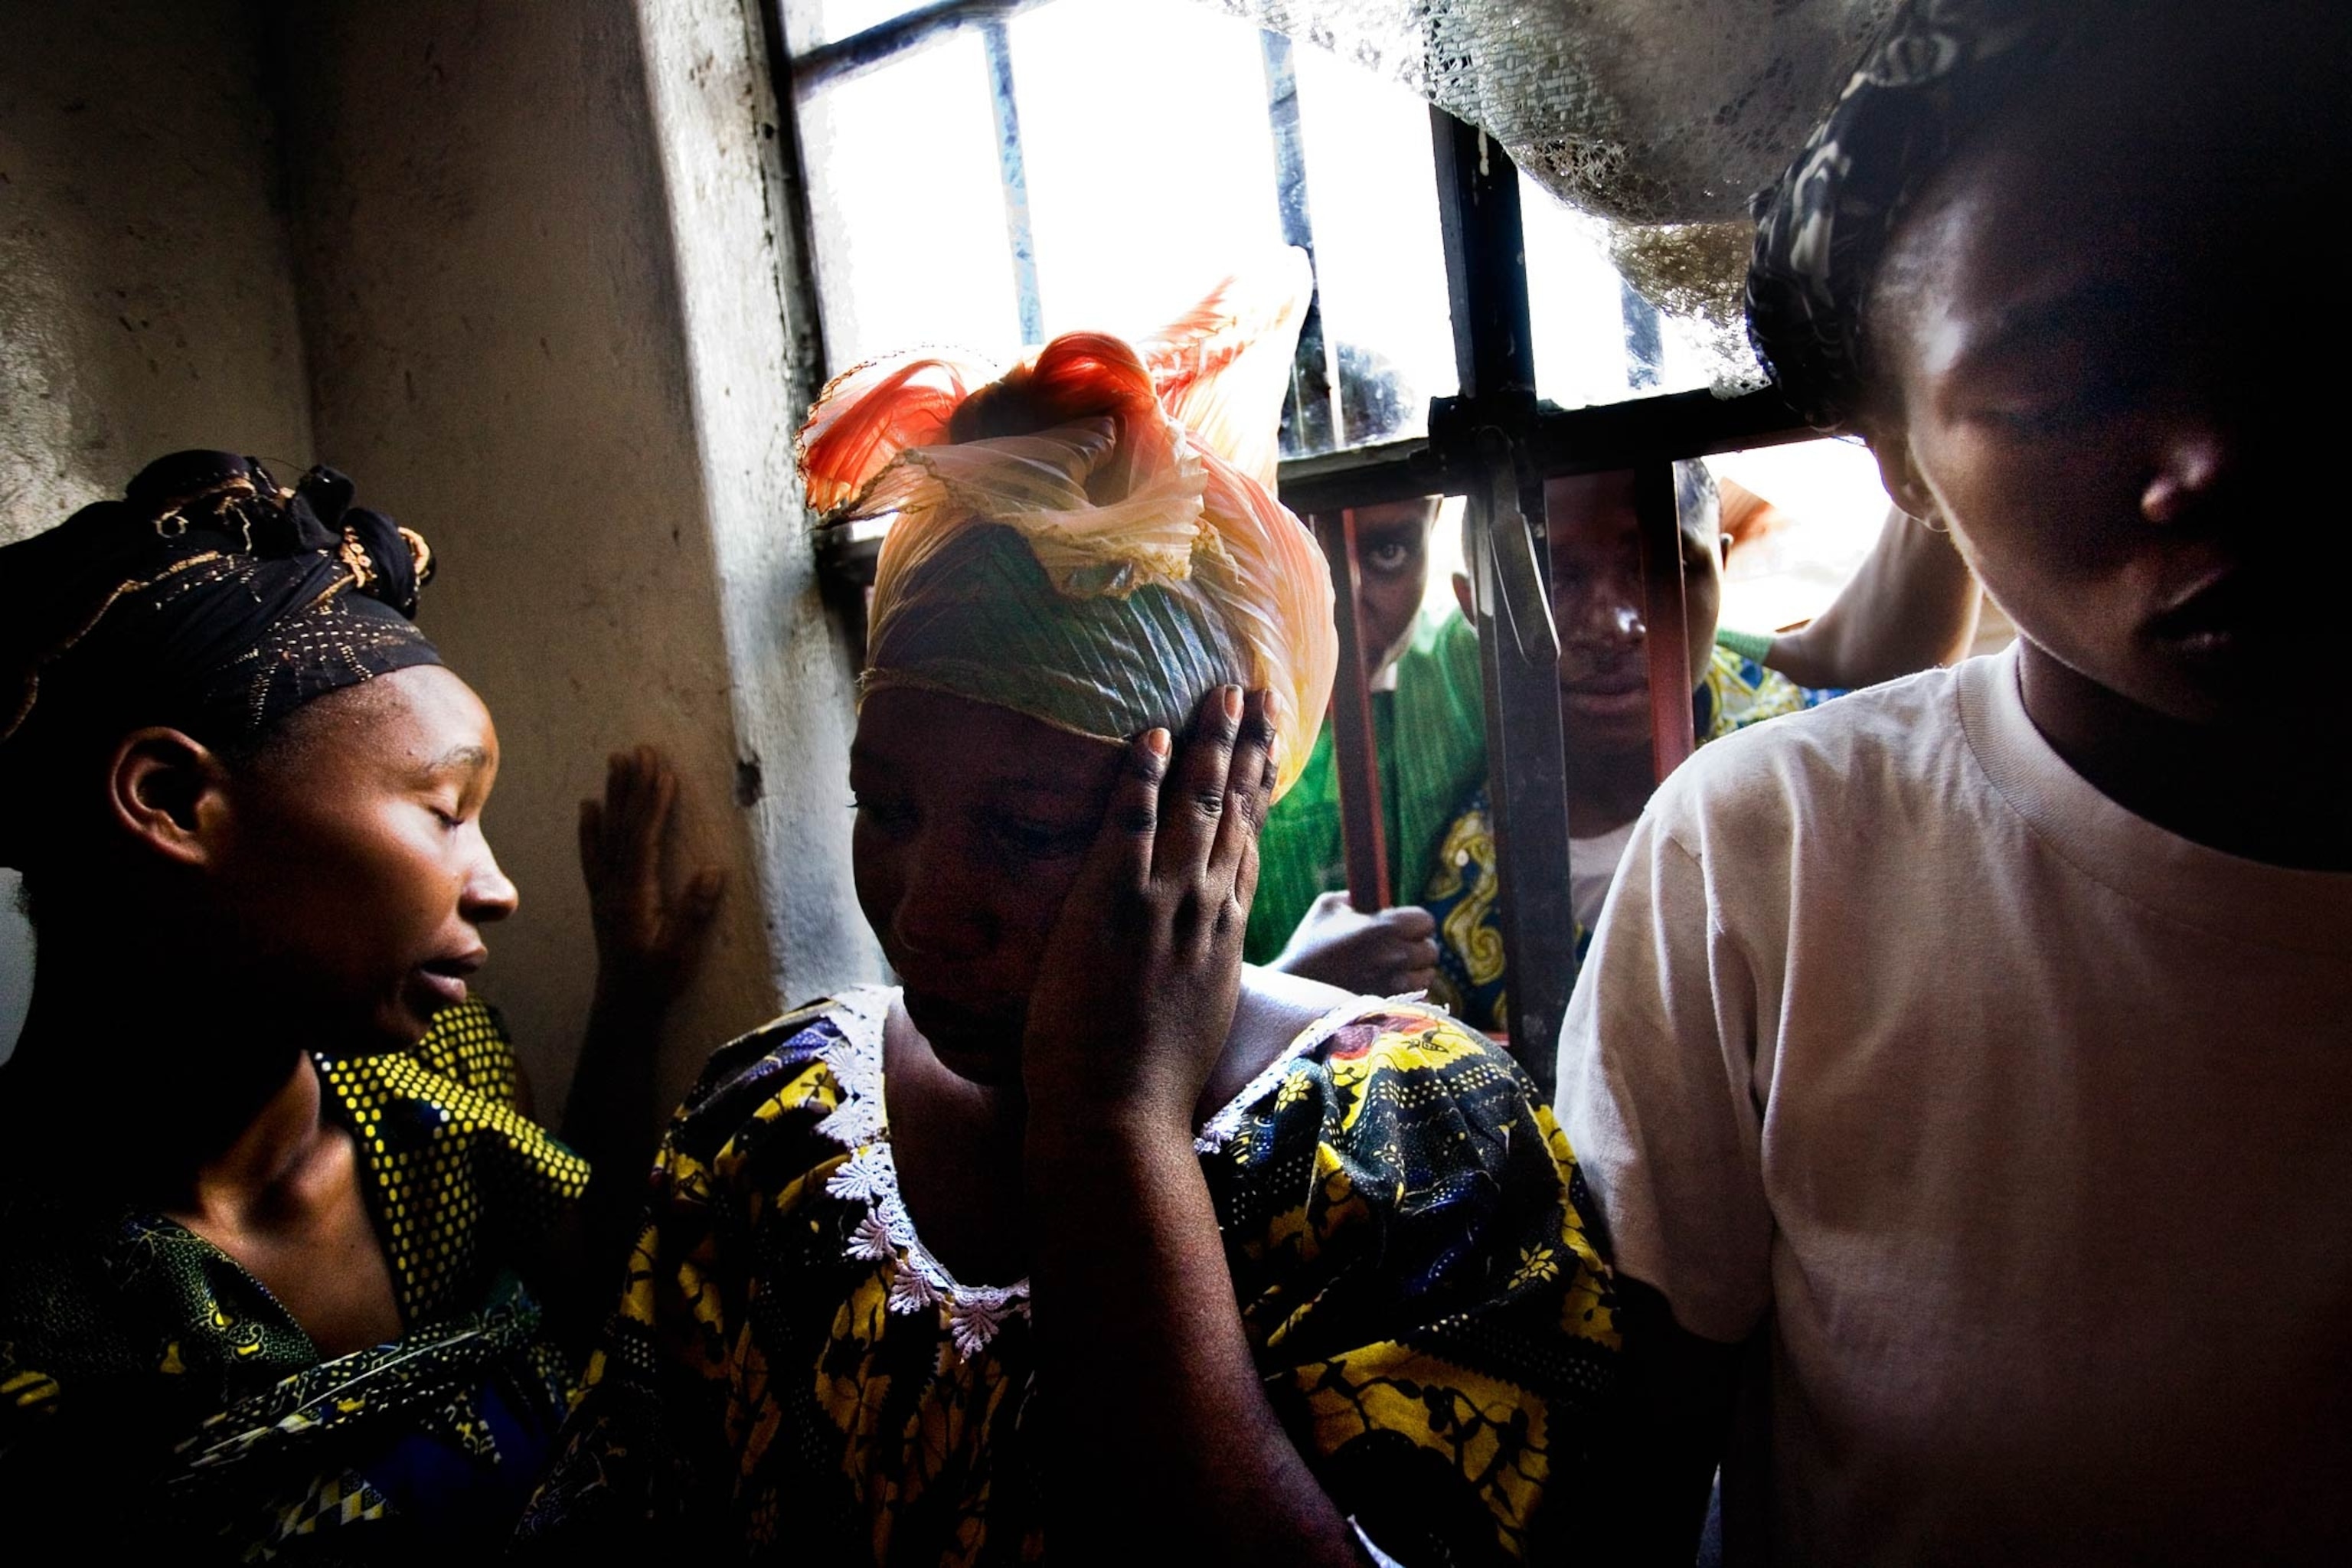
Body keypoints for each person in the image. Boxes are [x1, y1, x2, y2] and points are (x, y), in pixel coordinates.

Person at [519, 274, 1619, 1564]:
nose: (924, 912)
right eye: (887, 805)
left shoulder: (1413, 1149)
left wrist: (1109, 1127)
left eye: (1030, 830)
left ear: (1222, 806)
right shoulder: (765, 1123)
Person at [1557, 2, 2352, 1560]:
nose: (2211, 452)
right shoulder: (1775, 859)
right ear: (1900, 464)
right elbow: (1616, 1495)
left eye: (2305, 321)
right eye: (2060, 384)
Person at [0, 452, 712, 1555]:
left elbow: (599, 1303)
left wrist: (625, 1002)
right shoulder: (36, 1300)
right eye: (444, 810)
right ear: (174, 799)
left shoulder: (441, 1086)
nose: (500, 887)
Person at [1419, 462, 1837, 1032]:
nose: (1613, 625)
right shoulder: (1469, 888)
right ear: (1474, 605)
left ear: (1719, 568)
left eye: (1656, 568)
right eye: (1555, 580)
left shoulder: (1821, 752)